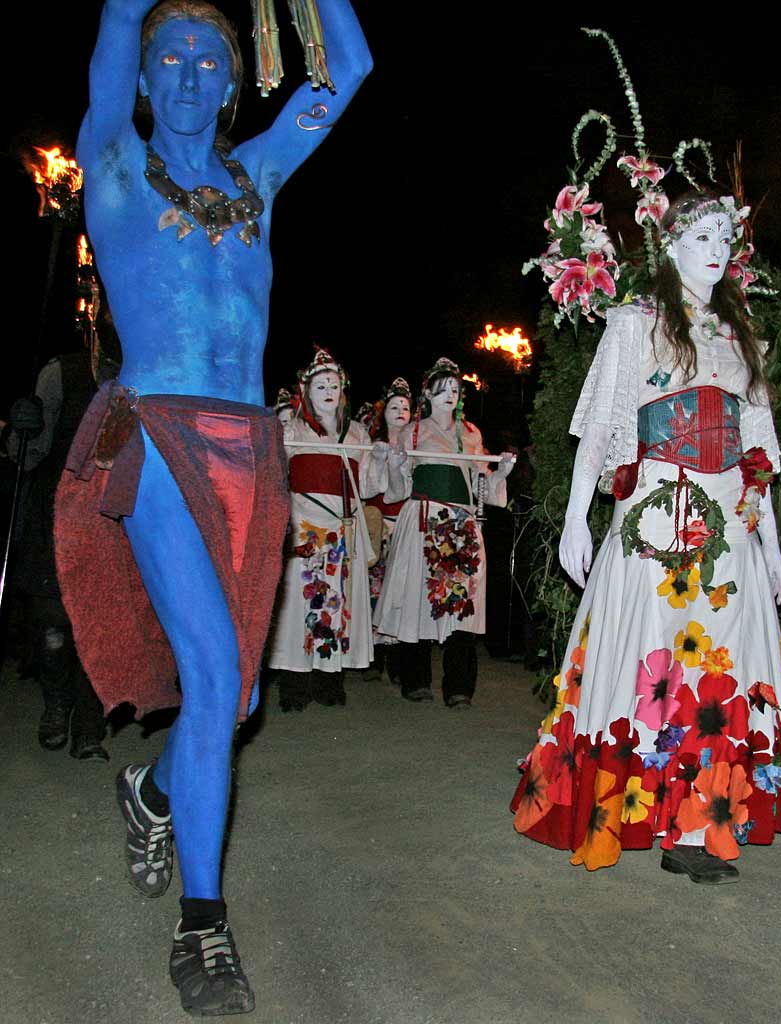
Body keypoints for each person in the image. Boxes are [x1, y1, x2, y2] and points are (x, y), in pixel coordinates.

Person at [55, 1, 371, 1014]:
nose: (188, 73)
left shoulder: (257, 179)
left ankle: (151, 791)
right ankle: (204, 929)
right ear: (144, 82)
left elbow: (351, 62)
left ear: (230, 87)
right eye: (169, 60)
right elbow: (114, 22)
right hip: (158, 436)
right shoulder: (110, 162)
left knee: (232, 702)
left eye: (207, 60)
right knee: (214, 670)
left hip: (252, 449)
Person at [511, 192, 781, 882]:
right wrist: (576, 516)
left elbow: (757, 446)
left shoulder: (744, 334)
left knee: (717, 672)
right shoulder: (634, 322)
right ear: (672, 243)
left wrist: (770, 544)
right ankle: (631, 806)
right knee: (654, 663)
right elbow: (603, 424)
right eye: (701, 233)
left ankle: (698, 827)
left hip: (730, 516)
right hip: (655, 510)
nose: (716, 248)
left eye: (725, 236)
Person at [374, 358, 514, 706]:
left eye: (455, 389)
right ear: (428, 394)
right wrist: (393, 465)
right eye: (442, 389)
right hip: (423, 521)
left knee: (462, 603)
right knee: (416, 600)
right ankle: (415, 680)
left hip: (461, 525)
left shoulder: (471, 433)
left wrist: (500, 474)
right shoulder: (412, 432)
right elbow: (396, 489)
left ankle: (459, 687)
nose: (450, 395)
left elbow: (481, 485)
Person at [267, 347, 395, 709]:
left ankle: (329, 684)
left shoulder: (356, 434)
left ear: (343, 391)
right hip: (304, 528)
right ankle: (294, 688)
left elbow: (369, 487)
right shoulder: (290, 430)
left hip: (341, 534)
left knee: (337, 604)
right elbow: (274, 477)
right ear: (306, 391)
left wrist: (381, 459)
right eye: (320, 384)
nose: (328, 390)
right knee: (298, 606)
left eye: (334, 385)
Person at [3, 353, 109, 761]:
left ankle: (89, 721)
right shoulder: (62, 370)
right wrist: (23, 427)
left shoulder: (144, 364)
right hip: (58, 509)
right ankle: (57, 702)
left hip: (111, 513)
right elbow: (27, 454)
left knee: (101, 624)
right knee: (53, 622)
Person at [357, 378, 412, 685]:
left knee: (401, 591)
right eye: (394, 406)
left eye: (405, 406)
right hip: (378, 522)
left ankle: (399, 659)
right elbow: (369, 486)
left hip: (405, 521)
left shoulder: (416, 444)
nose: (400, 411)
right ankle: (373, 657)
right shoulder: (371, 445)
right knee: (374, 589)